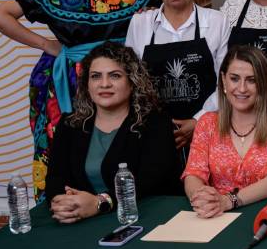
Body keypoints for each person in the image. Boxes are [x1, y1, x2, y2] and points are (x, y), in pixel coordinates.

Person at [0, 0, 159, 199]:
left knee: (125, 143)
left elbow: (172, 3)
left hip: (120, 78)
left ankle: (116, 203)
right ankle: (61, 208)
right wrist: (45, 44)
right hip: (66, 80)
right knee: (62, 148)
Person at [45, 42, 182, 223]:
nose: (104, 84)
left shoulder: (155, 123)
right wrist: (63, 203)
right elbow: (55, 178)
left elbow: (149, 183)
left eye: (115, 76)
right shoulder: (70, 124)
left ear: (132, 82)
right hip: (81, 221)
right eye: (95, 76)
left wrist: (99, 202)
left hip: (146, 219)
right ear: (87, 84)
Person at [181, 46, 267, 218]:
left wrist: (229, 201)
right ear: (223, 80)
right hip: (216, 216)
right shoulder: (207, 123)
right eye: (234, 79)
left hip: (265, 216)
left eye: (252, 80)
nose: (242, 88)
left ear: (264, 83)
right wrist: (202, 199)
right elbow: (193, 173)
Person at [125, 0, 228, 150]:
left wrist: (199, 121)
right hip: (152, 132)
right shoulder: (140, 23)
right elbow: (130, 80)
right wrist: (156, 125)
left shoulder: (217, 21)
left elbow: (226, 82)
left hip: (209, 130)